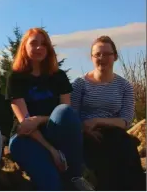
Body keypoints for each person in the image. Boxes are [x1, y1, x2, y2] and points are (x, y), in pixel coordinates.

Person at [5, 28, 94, 191]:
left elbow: (65, 115)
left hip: (55, 132)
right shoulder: (16, 78)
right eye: (34, 43)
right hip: (27, 138)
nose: (39, 48)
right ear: (24, 46)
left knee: (65, 113)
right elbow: (25, 125)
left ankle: (76, 176)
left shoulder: (58, 76)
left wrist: (40, 119)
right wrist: (52, 151)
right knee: (52, 184)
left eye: (44, 44)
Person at [71, 36, 146, 190]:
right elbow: (71, 115)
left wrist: (98, 121)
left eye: (106, 54)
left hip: (115, 133)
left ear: (115, 56)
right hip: (87, 135)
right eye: (97, 54)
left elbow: (126, 120)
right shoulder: (79, 84)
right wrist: (85, 129)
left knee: (126, 149)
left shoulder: (124, 86)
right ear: (91, 58)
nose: (102, 58)